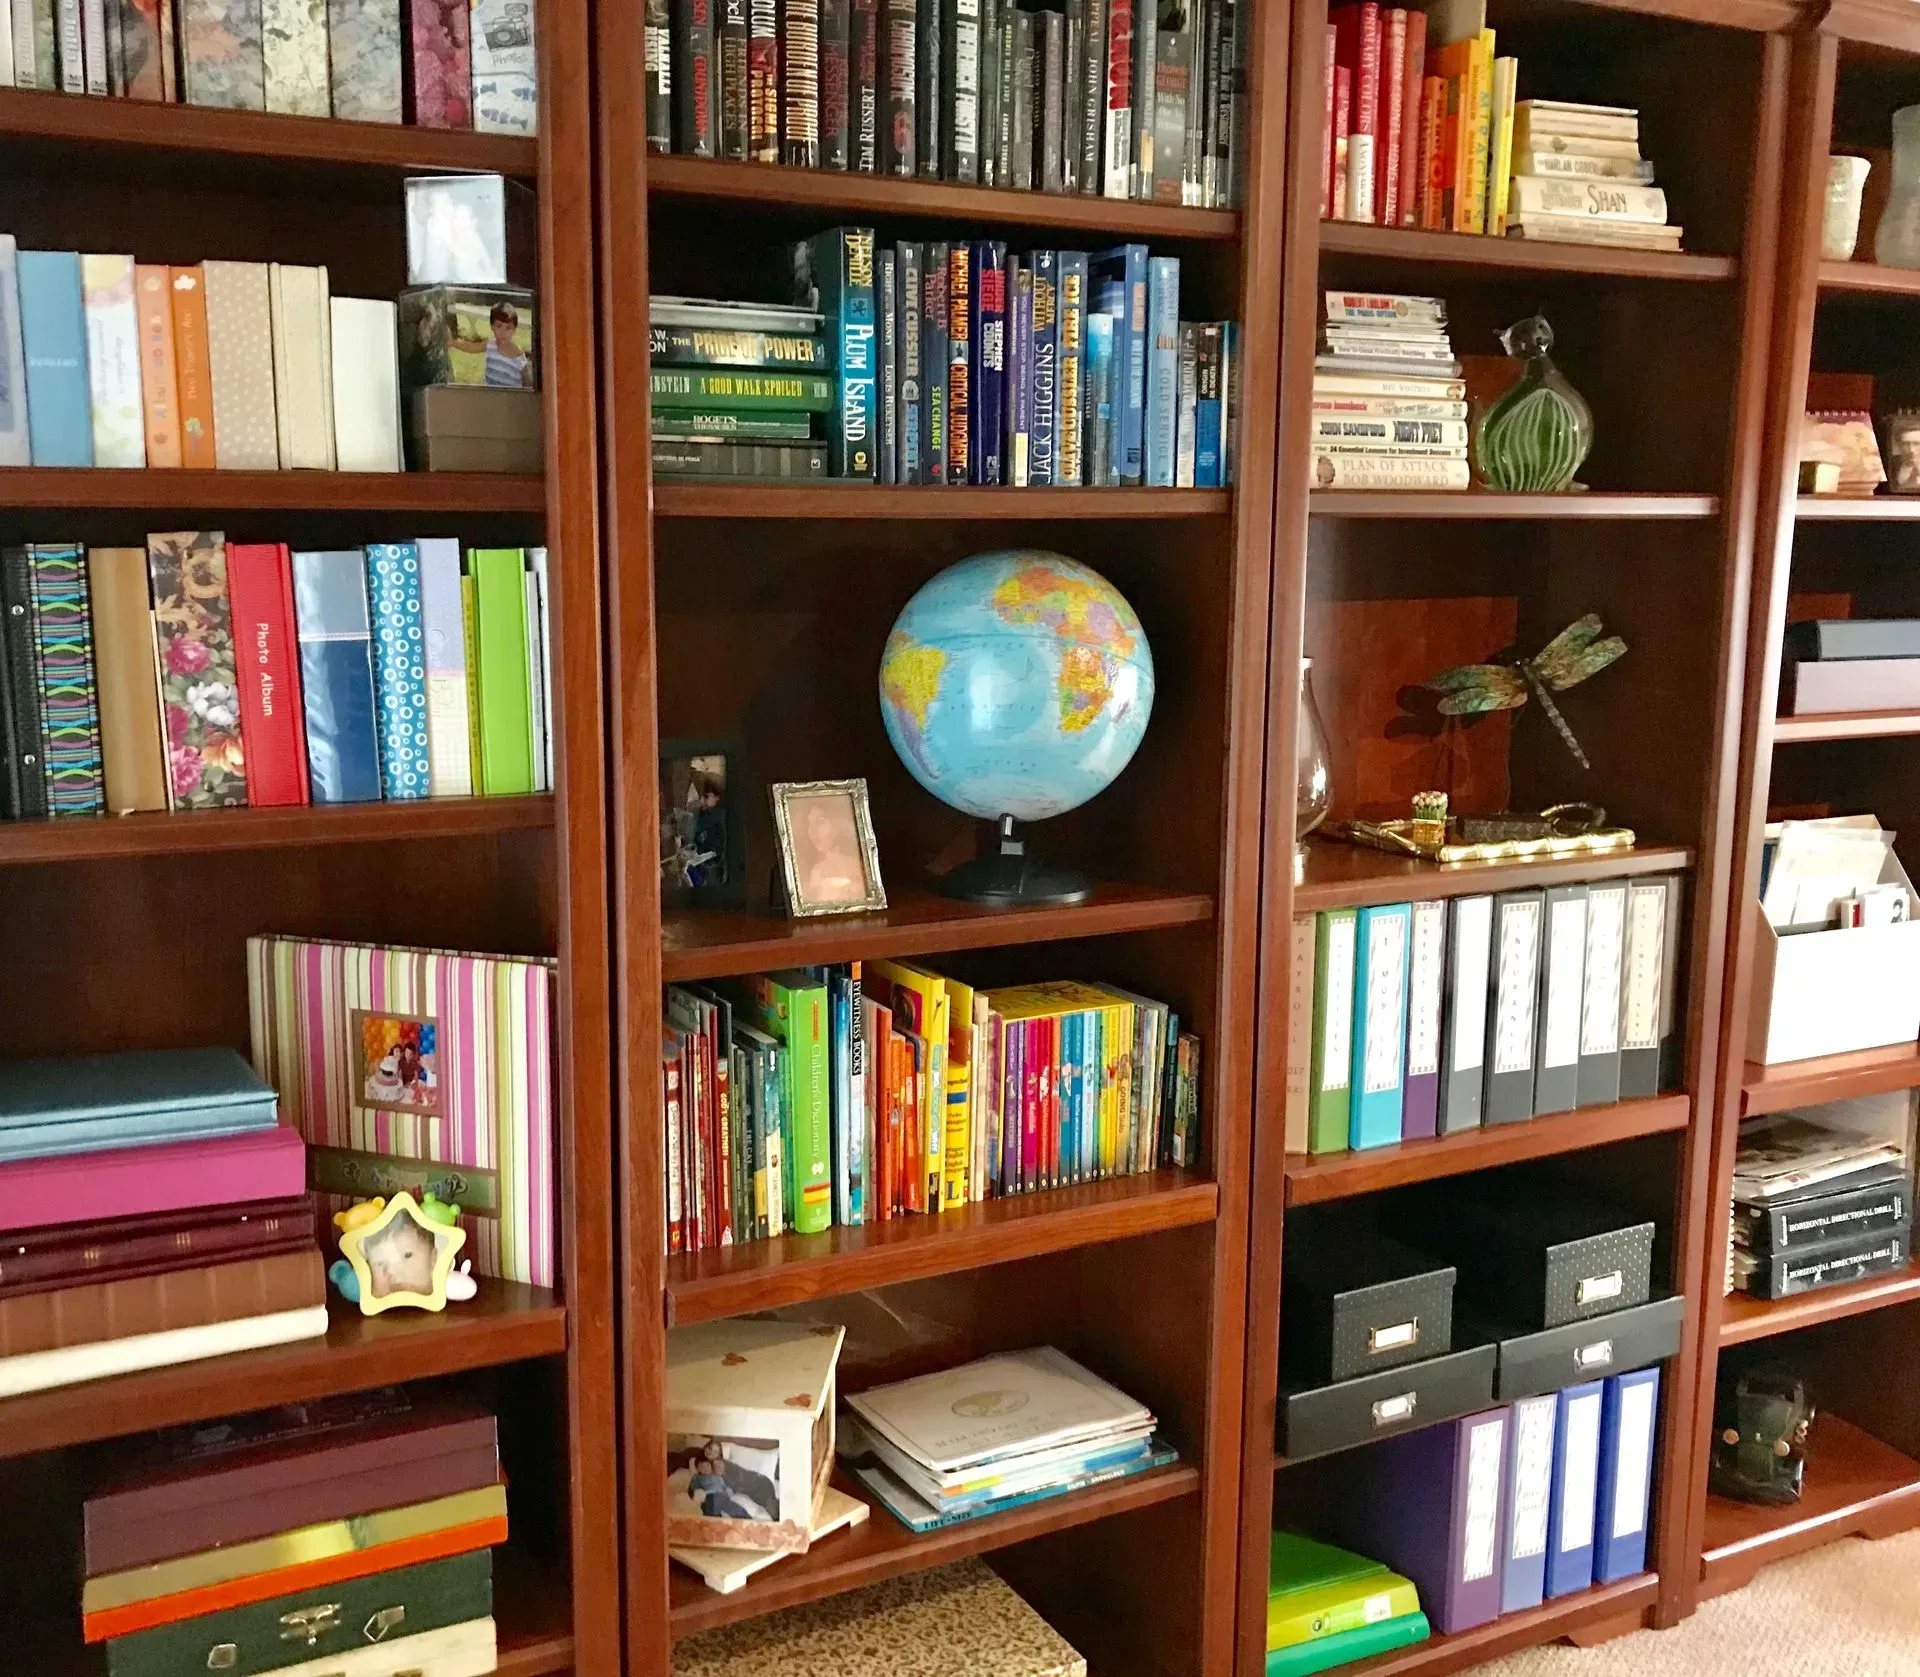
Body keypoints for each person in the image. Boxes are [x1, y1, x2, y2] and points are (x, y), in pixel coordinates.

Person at [795, 797, 865, 906]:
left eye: (820, 822)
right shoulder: (815, 871)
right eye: (809, 823)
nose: (812, 830)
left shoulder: (858, 867)